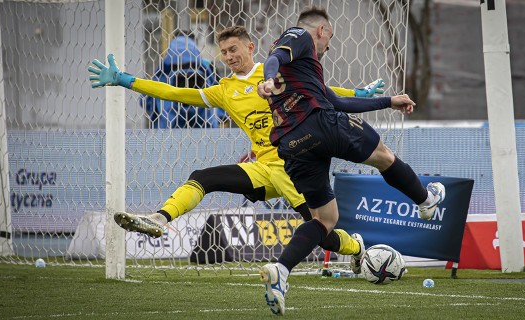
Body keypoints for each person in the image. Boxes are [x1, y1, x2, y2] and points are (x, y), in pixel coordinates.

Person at [88, 26, 386, 267]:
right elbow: (174, 92)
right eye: (224, 52)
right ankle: (158, 218)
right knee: (204, 177)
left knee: (322, 231)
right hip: (262, 168)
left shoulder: (275, 75)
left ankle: (356, 246)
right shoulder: (224, 90)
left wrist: (358, 94)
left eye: (233, 49)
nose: (229, 56)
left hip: (294, 166)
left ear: (250, 47)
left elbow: (321, 91)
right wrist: (126, 81)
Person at [255, 7, 446, 315]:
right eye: (329, 37)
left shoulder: (304, 76)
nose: (329, 46)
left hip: (291, 144)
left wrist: (388, 101)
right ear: (321, 32)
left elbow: (340, 101)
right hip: (319, 124)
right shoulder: (300, 35)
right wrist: (266, 80)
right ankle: (426, 200)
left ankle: (281, 272)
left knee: (325, 220)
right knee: (384, 156)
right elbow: (274, 58)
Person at [143, 33, 226, 128]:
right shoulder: (207, 66)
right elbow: (222, 99)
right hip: (205, 129)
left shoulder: (162, 68)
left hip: (168, 130)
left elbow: (147, 101)